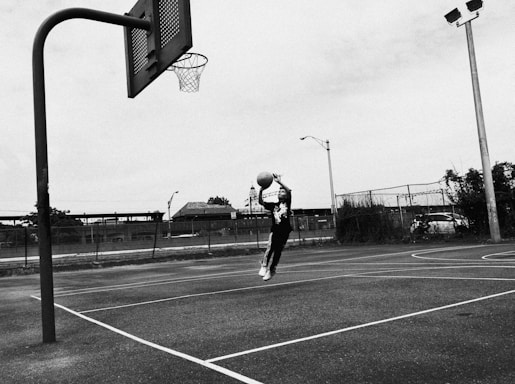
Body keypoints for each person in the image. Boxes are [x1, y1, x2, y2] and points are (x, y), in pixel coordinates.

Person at [258, 174, 292, 281]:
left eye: (282, 192)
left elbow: (289, 191)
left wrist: (279, 182)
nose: (280, 193)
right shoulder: (274, 205)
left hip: (285, 230)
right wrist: (261, 190)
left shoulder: (287, 203)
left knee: (278, 251)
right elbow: (260, 202)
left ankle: (272, 270)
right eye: (279, 191)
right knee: (270, 248)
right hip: (275, 230)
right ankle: (264, 265)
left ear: (286, 195)